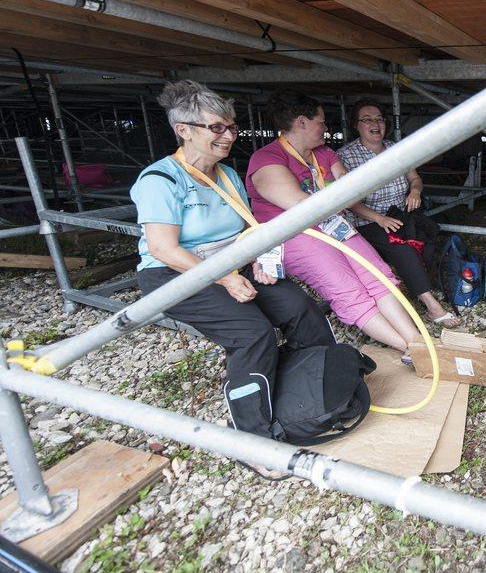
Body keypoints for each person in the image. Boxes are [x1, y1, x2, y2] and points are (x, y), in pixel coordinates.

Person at [130, 81, 336, 477]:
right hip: (175, 274)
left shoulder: (226, 175)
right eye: (216, 128)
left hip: (231, 265)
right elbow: (163, 249)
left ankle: (313, 393)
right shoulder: (161, 180)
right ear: (184, 130)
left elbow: (249, 229)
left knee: (301, 308)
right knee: (252, 333)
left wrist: (261, 258)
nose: (227, 136)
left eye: (232, 128)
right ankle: (251, 440)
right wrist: (225, 279)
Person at [246, 91, 422, 361]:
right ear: (302, 122)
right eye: (322, 122)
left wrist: (338, 197)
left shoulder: (324, 153)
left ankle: (416, 341)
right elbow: (303, 208)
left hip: (331, 224)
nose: (326, 128)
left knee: (378, 274)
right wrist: (337, 196)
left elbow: (353, 193)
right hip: (296, 235)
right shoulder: (268, 159)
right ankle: (407, 348)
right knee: (348, 290)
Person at [338, 98, 459, 327]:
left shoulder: (397, 149)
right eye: (367, 119)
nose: (375, 124)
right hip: (367, 220)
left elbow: (414, 178)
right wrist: (379, 218)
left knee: (428, 238)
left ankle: (410, 282)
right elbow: (346, 201)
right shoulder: (346, 156)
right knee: (402, 248)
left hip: (399, 214)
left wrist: (415, 191)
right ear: (356, 125)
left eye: (379, 119)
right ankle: (432, 305)